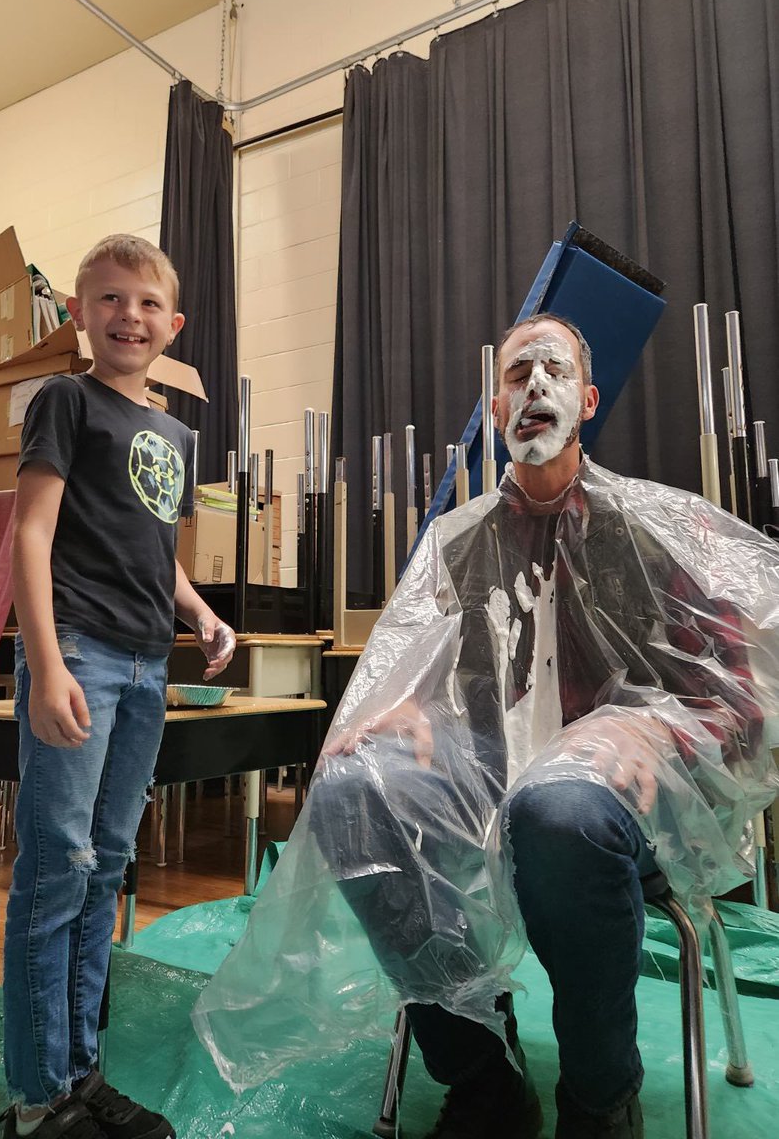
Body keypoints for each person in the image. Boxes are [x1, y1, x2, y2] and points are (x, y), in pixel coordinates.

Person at [192, 314, 779, 1139]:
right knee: (354, 789)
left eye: (553, 370)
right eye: (515, 375)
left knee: (558, 809)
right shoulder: (462, 546)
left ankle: (598, 1096)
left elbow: (741, 705)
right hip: (495, 790)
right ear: (495, 407)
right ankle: (481, 1075)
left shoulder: (653, 532)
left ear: (588, 397)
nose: (534, 386)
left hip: (627, 811)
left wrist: (649, 733)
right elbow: (450, 689)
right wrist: (409, 710)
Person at [0, 234, 236, 1139]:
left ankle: (81, 1076)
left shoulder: (176, 432)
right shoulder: (65, 400)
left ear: (171, 325)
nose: (126, 316)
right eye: (107, 300)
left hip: (145, 668)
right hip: (83, 654)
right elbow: (30, 534)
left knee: (105, 873)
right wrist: (48, 662)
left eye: (144, 304)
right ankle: (35, 1100)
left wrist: (202, 615)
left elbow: (156, 559)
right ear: (78, 316)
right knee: (56, 872)